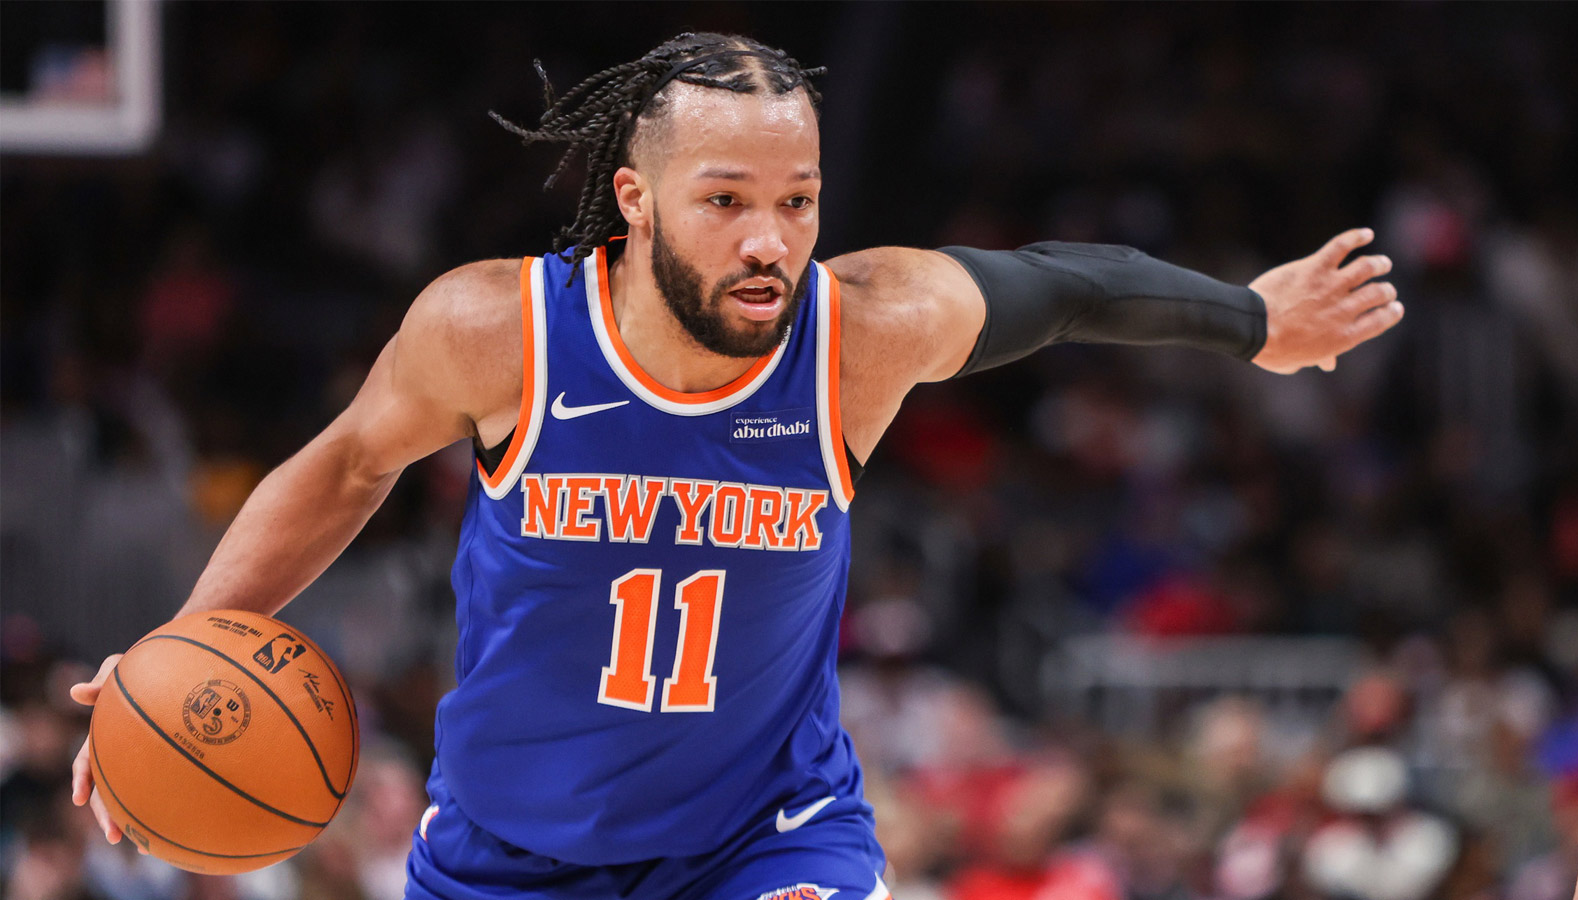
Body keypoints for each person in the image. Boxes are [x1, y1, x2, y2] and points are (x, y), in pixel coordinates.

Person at [70, 33, 1409, 900]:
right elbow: (346, 465)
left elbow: (1064, 287)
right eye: (727, 200)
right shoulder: (501, 329)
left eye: (798, 200)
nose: (770, 237)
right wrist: (182, 641)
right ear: (640, 198)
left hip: (765, 840)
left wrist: (1254, 320)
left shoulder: (861, 331)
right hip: (506, 851)